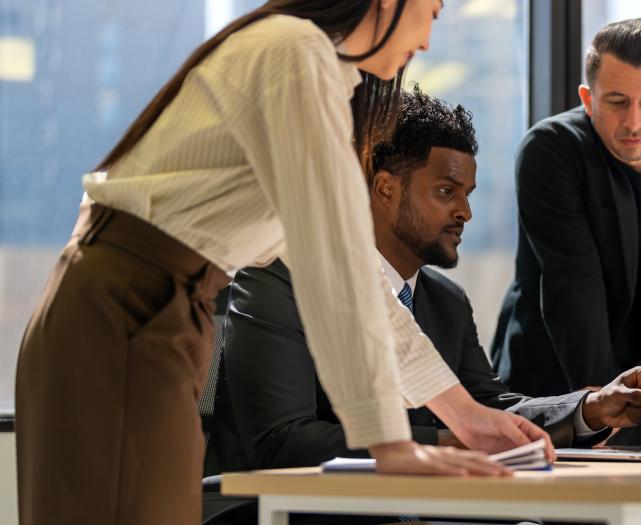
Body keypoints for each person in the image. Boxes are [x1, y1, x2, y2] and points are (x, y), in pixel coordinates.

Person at [15, 2, 546, 523]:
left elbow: (358, 283)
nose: (429, 39)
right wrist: (389, 444)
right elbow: (331, 267)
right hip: (126, 304)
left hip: (158, 309)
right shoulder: (295, 54)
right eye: (431, 12)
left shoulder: (321, 73)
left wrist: (467, 416)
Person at [205, 88, 641, 483]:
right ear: (385, 188)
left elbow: (490, 407)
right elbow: (283, 443)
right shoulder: (276, 280)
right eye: (445, 192)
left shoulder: (444, 301)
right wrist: (449, 441)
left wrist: (588, 408)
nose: (465, 213)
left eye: (468, 195)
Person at [492, 18, 641, 447]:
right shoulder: (550, 150)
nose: (634, 121)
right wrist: (603, 405)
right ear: (588, 98)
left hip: (639, 399)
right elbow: (573, 287)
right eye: (617, 101)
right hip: (547, 397)